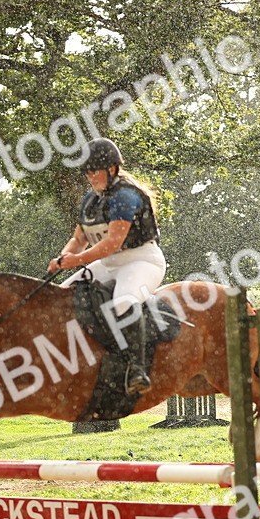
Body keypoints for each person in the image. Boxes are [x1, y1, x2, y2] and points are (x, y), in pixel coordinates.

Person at [48, 138, 164, 395]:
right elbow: (78, 239)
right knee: (58, 298)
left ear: (111, 169)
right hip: (108, 264)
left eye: (94, 171)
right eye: (86, 172)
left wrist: (76, 261)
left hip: (142, 260)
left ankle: (137, 369)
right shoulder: (91, 200)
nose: (90, 177)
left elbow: (113, 242)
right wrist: (63, 257)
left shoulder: (126, 196)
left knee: (123, 300)